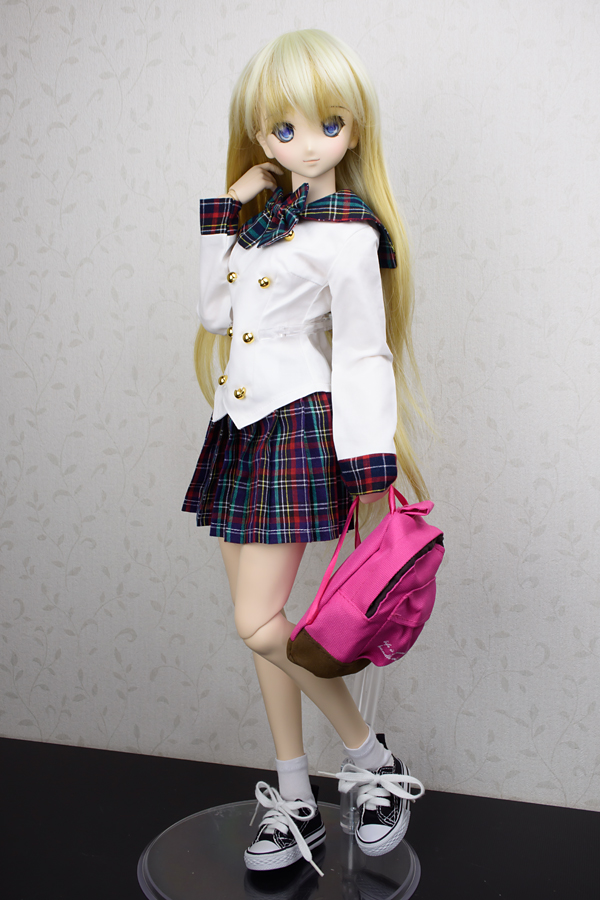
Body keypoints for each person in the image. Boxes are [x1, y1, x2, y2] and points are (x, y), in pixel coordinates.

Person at [183, 29, 427, 875]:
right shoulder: (262, 226)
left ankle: (370, 759)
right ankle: (294, 798)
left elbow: (362, 352)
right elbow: (216, 315)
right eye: (285, 130)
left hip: (294, 429)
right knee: (260, 629)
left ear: (353, 130)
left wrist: (369, 464)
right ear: (261, 134)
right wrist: (227, 208)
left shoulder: (350, 234)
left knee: (259, 625)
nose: (310, 144)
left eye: (329, 124)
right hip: (239, 430)